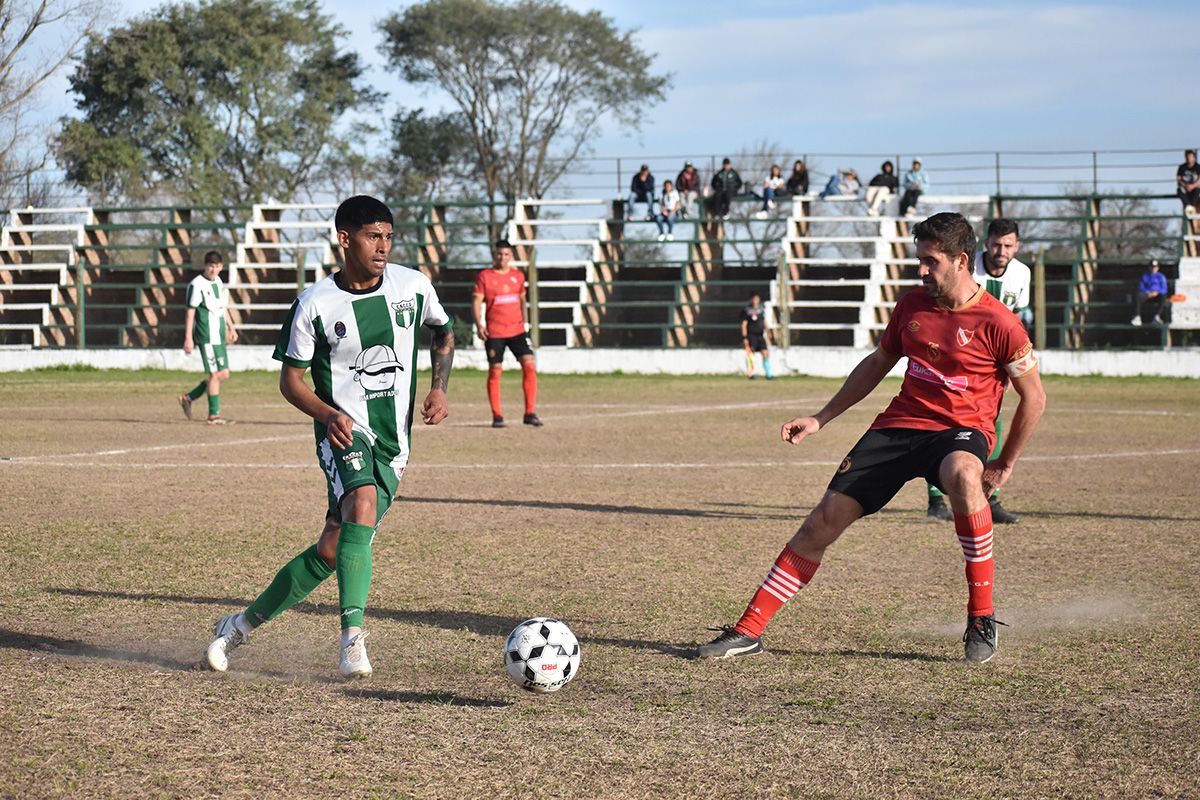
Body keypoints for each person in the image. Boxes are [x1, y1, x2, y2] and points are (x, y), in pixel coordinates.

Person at [696, 212, 1046, 664]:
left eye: (931, 261)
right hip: (900, 426)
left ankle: (980, 615)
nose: (921, 270)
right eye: (919, 260)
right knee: (821, 521)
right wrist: (822, 418)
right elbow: (877, 364)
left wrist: (1006, 463)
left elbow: (1033, 398)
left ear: (962, 260)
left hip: (961, 431)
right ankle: (747, 631)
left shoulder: (1001, 323)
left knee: (963, 475)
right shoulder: (910, 307)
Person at [203, 195, 456, 678]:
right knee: (360, 503)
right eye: (372, 236)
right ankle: (352, 642)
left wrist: (438, 389)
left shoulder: (413, 287)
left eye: (388, 237)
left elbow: (444, 332)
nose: (382, 246)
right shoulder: (315, 304)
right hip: (341, 434)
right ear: (345, 239)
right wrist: (327, 413)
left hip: (393, 442)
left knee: (332, 549)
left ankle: (239, 625)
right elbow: (291, 381)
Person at [927, 218, 1031, 525]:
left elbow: (1018, 317)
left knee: (992, 416)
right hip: (957, 352)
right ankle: (935, 499)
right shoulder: (967, 269)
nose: (1001, 251)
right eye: (996, 244)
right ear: (985, 244)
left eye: (1008, 245)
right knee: (940, 417)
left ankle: (989, 496)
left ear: (1017, 247)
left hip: (996, 356)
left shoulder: (1022, 274)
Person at [473, 240, 542, 428]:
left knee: (529, 364)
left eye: (505, 255)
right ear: (494, 255)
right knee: (495, 371)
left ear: (510, 256)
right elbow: (477, 302)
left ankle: (530, 413)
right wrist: (479, 324)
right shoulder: (485, 276)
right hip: (495, 332)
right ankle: (497, 416)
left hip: (517, 330)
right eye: (498, 254)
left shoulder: (518, 276)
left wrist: (526, 323)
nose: (502, 258)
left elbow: (522, 300)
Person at [178, 250, 238, 424]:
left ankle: (188, 398)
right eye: (210, 266)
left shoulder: (218, 282)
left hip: (218, 335)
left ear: (221, 267)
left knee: (223, 374)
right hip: (206, 335)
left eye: (217, 266)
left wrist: (231, 328)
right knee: (215, 374)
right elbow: (190, 312)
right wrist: (188, 337)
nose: (213, 269)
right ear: (205, 266)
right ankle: (214, 415)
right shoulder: (196, 285)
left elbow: (222, 308)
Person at [741, 292, 774, 379]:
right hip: (751, 335)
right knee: (751, 354)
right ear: (752, 300)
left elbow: (764, 322)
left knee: (765, 353)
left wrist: (768, 331)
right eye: (754, 299)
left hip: (760, 335)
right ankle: (751, 373)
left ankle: (769, 374)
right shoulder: (747, 310)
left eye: (757, 299)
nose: (756, 301)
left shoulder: (761, 310)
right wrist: (745, 337)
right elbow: (744, 324)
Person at [1131, 260, 1168, 326]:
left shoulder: (1161, 276)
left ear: (1158, 268)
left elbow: (1164, 288)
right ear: (1149, 268)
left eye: (1155, 267)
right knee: (1138, 295)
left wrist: (1157, 292)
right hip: (1147, 295)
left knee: (1163, 296)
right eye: (1152, 267)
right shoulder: (1145, 276)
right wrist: (1147, 292)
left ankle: (1157, 316)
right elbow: (1141, 287)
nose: (1153, 268)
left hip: (1157, 295)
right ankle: (1137, 316)